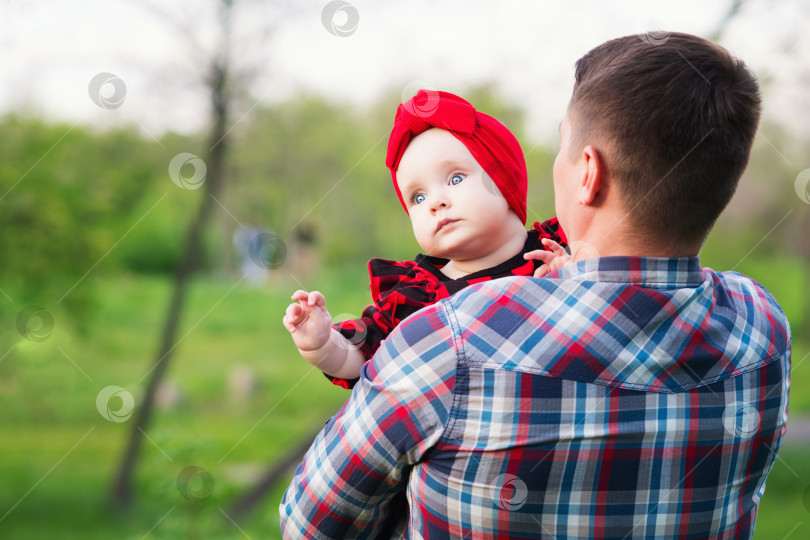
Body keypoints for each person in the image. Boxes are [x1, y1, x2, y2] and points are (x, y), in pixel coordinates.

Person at [280, 32, 791, 540]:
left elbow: (310, 526)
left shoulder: (443, 343)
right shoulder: (763, 330)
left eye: (564, 145)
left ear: (588, 173)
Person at [282, 90, 567, 389]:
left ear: (503, 179)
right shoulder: (418, 298)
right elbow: (363, 362)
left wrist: (573, 271)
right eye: (418, 197)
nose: (435, 202)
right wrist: (323, 345)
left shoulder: (558, 247)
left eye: (455, 178)